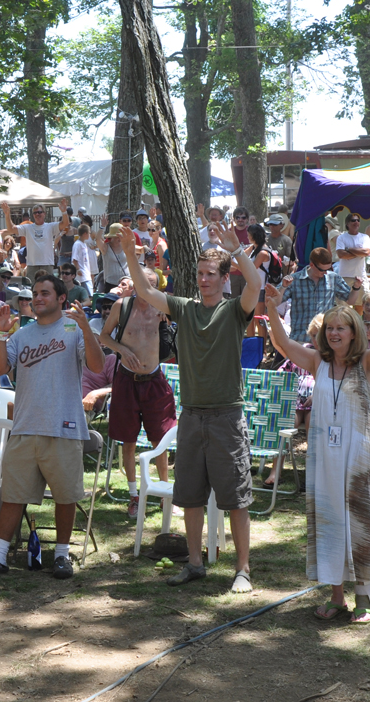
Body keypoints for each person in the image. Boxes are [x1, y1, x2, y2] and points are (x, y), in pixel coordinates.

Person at [128, 223, 263, 593]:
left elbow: (255, 287)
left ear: (223, 279)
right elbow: (143, 289)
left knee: (236, 498)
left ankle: (242, 570)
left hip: (226, 417)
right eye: (199, 274)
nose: (203, 280)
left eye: (209, 275)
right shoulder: (183, 308)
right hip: (191, 416)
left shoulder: (236, 310)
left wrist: (237, 251)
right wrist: (128, 249)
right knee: (189, 495)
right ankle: (194, 563)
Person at [266, 280, 370, 623]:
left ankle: (365, 599)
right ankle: (337, 596)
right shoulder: (316, 362)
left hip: (359, 458)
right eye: (330, 329)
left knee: (362, 523)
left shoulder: (366, 364)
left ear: (354, 333)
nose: (335, 334)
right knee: (330, 522)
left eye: (341, 328)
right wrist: (271, 306)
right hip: (325, 456)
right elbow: (281, 342)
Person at [0, 275, 104, 580]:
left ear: (62, 298)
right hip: (25, 426)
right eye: (34, 293)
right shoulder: (23, 334)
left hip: (64, 426)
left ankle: (61, 556)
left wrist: (87, 328)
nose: (37, 298)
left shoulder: (73, 329)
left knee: (65, 496)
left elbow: (98, 366)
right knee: (13, 495)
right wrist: (1, 334)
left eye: (44, 293)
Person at [98, 258, 176, 518]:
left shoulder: (162, 307)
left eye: (152, 285)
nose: (147, 290)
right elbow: (104, 336)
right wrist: (121, 350)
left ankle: (165, 495)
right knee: (128, 441)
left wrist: (167, 321)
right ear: (135, 286)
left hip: (153, 380)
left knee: (161, 439)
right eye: (143, 284)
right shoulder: (122, 306)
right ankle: (134, 496)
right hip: (126, 381)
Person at [282, 247, 361, 342]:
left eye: (328, 269)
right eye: (322, 270)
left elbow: (350, 301)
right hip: (300, 338)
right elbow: (275, 301)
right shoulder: (295, 279)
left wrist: (356, 287)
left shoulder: (333, 278)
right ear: (312, 265)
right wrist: (283, 287)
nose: (325, 273)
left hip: (324, 340)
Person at [2, 199, 70, 282]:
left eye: (39, 212)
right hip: (32, 265)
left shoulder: (50, 226)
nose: (37, 214)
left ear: (44, 213)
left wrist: (64, 212)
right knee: (32, 289)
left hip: (47, 264)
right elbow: (11, 229)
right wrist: (7, 214)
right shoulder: (28, 227)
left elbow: (65, 224)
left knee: (48, 288)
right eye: (35, 213)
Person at [335, 213, 370, 282]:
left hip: (361, 276)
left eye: (358, 220)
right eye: (353, 220)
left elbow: (366, 252)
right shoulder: (341, 237)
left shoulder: (365, 237)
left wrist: (348, 249)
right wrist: (359, 253)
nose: (356, 222)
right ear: (347, 224)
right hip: (345, 276)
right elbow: (341, 255)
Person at [71, 224, 97, 295]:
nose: (89, 234)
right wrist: (78, 269)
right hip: (82, 276)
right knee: (87, 295)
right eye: (89, 233)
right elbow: (74, 259)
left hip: (86, 274)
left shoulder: (84, 244)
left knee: (90, 294)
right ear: (85, 233)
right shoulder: (77, 244)